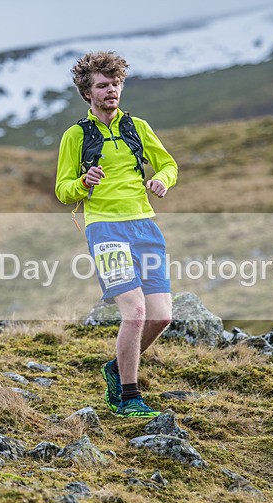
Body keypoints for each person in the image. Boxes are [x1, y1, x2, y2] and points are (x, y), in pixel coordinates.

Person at [55, 51, 178, 418]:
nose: (112, 91)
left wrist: (161, 179)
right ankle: (127, 396)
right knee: (136, 312)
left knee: (161, 317)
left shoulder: (137, 127)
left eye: (116, 84)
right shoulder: (75, 135)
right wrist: (82, 182)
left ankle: (116, 367)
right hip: (105, 228)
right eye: (103, 85)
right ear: (87, 93)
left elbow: (169, 164)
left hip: (145, 226)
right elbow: (62, 189)